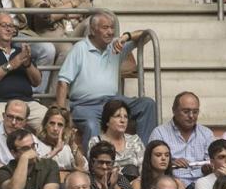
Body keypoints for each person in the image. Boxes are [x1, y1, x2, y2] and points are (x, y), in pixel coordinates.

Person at [55, 12, 155, 146]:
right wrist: (61, 114)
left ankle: (144, 155)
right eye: (105, 28)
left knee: (147, 104)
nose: (110, 32)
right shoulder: (80, 49)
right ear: (93, 30)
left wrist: (126, 37)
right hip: (85, 105)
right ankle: (95, 164)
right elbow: (63, 82)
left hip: (113, 102)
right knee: (91, 125)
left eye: (112, 28)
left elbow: (146, 35)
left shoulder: (116, 46)